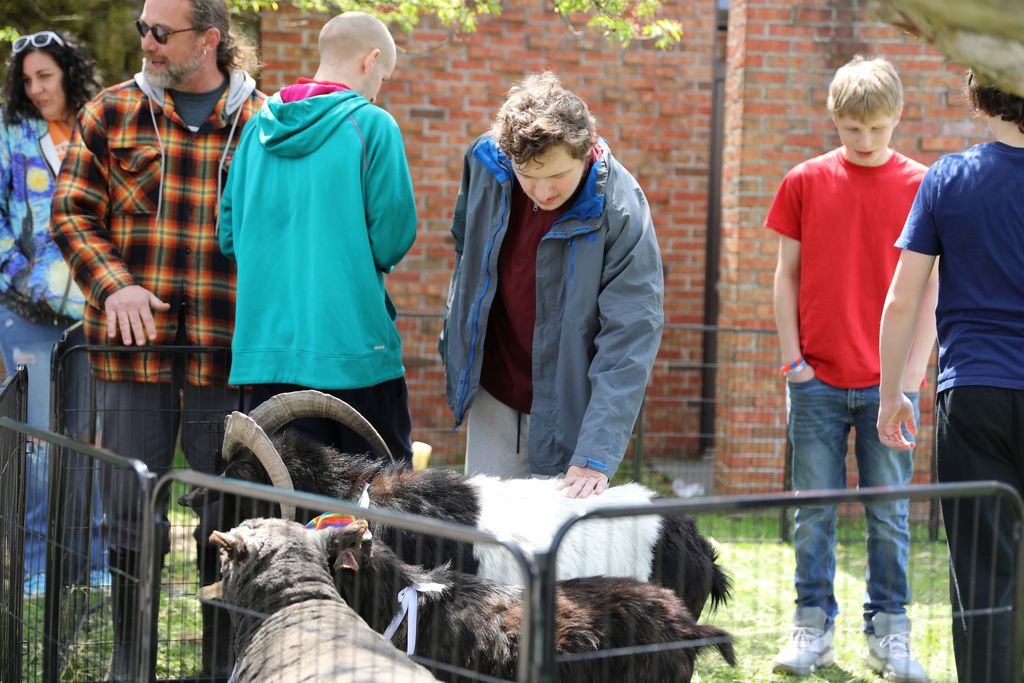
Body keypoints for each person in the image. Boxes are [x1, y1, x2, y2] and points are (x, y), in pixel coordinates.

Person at [50, 0, 263, 678]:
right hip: (128, 358)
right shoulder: (110, 113)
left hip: (221, 354)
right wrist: (115, 286)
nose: (146, 41)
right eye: (144, 27)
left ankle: (219, 661)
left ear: (210, 39)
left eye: (160, 32)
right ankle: (130, 658)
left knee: (223, 517)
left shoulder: (260, 123)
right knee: (127, 511)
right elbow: (72, 213)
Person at [765, 56, 935, 681]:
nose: (864, 142)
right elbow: (785, 276)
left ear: (897, 117)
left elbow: (930, 294)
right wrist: (794, 362)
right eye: (851, 129)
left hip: (889, 388)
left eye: (877, 129)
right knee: (815, 510)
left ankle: (889, 633)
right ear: (833, 118)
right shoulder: (804, 181)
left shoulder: (923, 185)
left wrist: (909, 382)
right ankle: (812, 627)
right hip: (816, 382)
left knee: (889, 514)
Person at [440, 71, 664, 499]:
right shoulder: (485, 164)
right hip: (496, 389)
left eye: (557, 176)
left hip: (573, 408)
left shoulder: (622, 209)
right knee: (490, 547)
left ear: (586, 151)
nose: (542, 191)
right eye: (528, 176)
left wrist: (595, 454)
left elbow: (630, 338)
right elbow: (466, 256)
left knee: (561, 557)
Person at [877, 71, 1024, 683]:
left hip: (973, 396)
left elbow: (902, 301)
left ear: (980, 95)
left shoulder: (947, 177)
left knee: (981, 574)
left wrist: (892, 393)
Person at [220, 11, 417, 466]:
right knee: (382, 505)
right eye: (383, 77)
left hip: (268, 354)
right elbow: (391, 240)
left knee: (291, 510)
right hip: (354, 349)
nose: (378, 90)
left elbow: (230, 237)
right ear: (370, 61)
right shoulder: (373, 125)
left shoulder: (254, 131)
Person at [0, 29, 108, 596]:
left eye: (45, 75)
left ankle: (92, 562)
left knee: (88, 437)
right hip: (23, 312)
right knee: (39, 443)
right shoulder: (10, 132)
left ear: (67, 70)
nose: (36, 88)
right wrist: (25, 276)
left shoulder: (98, 124)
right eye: (27, 80)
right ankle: (39, 565)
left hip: (91, 311)